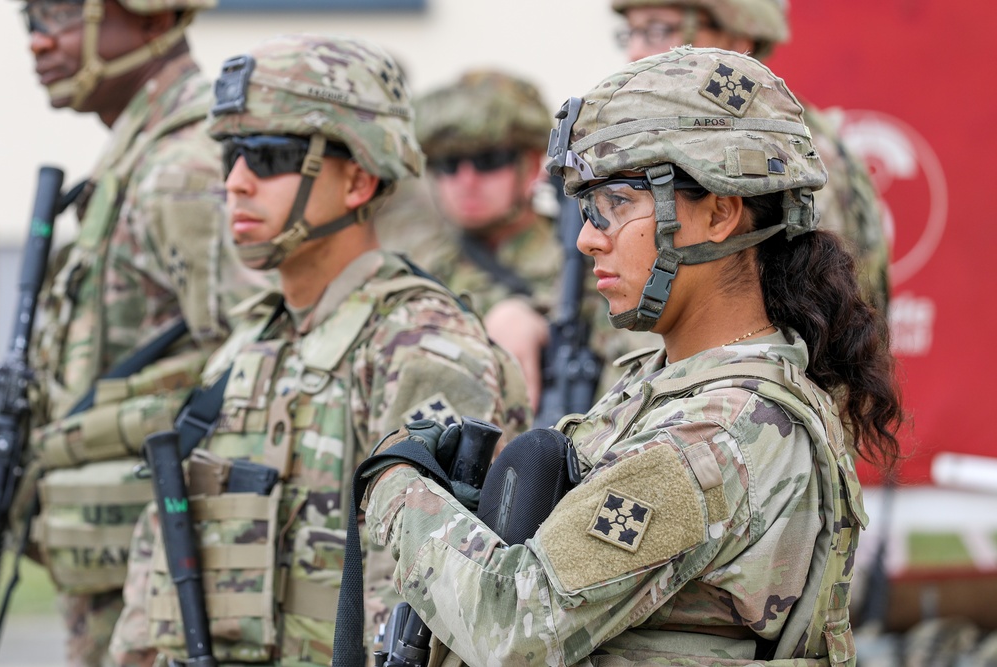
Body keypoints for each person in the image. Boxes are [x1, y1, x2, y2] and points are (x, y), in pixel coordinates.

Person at [363, 47, 903, 666]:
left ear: (721, 213)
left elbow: (513, 626)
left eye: (618, 204)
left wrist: (396, 483)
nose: (590, 236)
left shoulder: (715, 431)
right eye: (588, 209)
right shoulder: (671, 384)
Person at [109, 34, 530, 667]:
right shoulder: (254, 339)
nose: (237, 182)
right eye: (230, 155)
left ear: (359, 179)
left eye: (270, 156)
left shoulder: (420, 345)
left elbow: (441, 602)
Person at [14, 0, 265, 664]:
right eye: (30, 21)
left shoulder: (182, 169)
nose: (40, 42)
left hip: (162, 555)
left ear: (154, 20)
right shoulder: (143, 153)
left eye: (64, 14)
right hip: (124, 541)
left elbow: (255, 364)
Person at [612, 0, 891, 313]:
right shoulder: (685, 143)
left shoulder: (786, 155)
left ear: (738, 42)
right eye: (630, 33)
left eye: (658, 29)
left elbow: (805, 326)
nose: (635, 52)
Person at [412, 69, 657, 412]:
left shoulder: (590, 259)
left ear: (530, 166)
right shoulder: (421, 274)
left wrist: (538, 317)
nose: (466, 180)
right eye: (449, 164)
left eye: (488, 161)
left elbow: (640, 367)